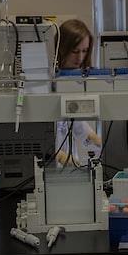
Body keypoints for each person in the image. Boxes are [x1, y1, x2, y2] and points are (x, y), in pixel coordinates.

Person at [53, 19, 101, 168]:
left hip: (69, 167)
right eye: (75, 51)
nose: (80, 58)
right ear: (61, 48)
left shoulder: (76, 81)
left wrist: (101, 143)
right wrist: (61, 157)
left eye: (84, 51)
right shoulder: (48, 82)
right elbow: (40, 139)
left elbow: (78, 125)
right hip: (51, 168)